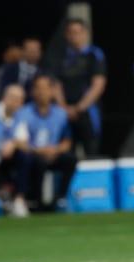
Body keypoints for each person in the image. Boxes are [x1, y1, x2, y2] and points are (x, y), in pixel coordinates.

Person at [14, 74, 76, 211]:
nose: (43, 93)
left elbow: (67, 141)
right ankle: (38, 202)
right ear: (33, 91)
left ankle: (60, 198)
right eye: (39, 88)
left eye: (46, 88)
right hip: (33, 153)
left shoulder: (60, 114)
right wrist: (39, 151)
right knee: (35, 162)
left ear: (52, 91)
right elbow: (20, 142)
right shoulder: (23, 113)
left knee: (70, 159)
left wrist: (55, 150)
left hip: (53, 153)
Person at [54, 18, 107, 157]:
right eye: (71, 32)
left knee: (91, 152)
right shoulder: (61, 56)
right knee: (66, 154)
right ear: (67, 35)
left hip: (88, 111)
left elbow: (98, 84)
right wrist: (64, 107)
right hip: (65, 112)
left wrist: (79, 107)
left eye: (78, 32)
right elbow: (56, 84)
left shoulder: (94, 54)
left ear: (85, 33)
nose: (75, 35)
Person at [0, 84, 30, 218]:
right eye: (14, 98)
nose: (17, 103)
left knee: (23, 157)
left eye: (20, 99)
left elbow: (25, 144)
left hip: (3, 159)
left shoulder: (20, 117)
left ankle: (18, 200)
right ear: (5, 98)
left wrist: (13, 143)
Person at [0, 37, 45, 102]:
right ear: (23, 51)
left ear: (40, 53)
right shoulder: (10, 69)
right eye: (29, 50)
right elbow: (2, 89)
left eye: (35, 50)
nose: (32, 53)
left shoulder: (43, 74)